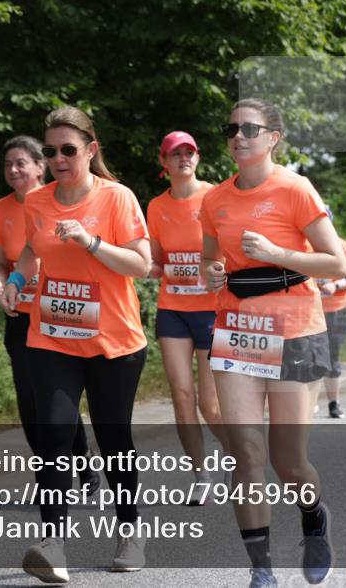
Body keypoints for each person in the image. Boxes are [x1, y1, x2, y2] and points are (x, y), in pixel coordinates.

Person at [200, 98, 346, 588]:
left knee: (288, 462)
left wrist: (277, 252)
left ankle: (313, 517)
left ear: (273, 138)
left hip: (294, 333)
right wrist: (214, 273)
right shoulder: (213, 199)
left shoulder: (295, 189)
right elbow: (208, 265)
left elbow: (335, 263)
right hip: (238, 331)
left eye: (249, 128)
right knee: (245, 451)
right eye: (231, 128)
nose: (237, 135)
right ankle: (261, 569)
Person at [3, 106, 151, 583]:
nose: (60, 158)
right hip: (52, 336)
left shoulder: (118, 198)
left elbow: (140, 265)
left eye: (69, 149)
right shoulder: (37, 202)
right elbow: (31, 248)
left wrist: (90, 242)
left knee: (114, 441)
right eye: (51, 151)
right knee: (54, 433)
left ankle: (129, 531)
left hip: (114, 341)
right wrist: (17, 280)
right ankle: (53, 543)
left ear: (91, 150)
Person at [0, 135, 102, 497]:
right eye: (8, 164)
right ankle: (49, 475)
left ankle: (81, 459)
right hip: (20, 316)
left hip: (59, 313)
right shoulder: (1, 209)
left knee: (57, 399)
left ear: (40, 166)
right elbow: (2, 264)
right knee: (29, 398)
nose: (14, 170)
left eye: (22, 162)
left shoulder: (57, 199)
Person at [146, 131, 228, 499]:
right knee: (182, 397)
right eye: (175, 154)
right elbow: (155, 260)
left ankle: (238, 454)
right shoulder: (156, 206)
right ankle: (200, 477)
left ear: (198, 158)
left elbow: (230, 246)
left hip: (212, 310)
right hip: (173, 309)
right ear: (163, 163)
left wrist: (217, 269)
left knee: (211, 405)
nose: (183, 158)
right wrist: (145, 266)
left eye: (189, 152)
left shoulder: (215, 196)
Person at [314, 207, 346, 419]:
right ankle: (309, 402)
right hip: (311, 312)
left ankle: (333, 404)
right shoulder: (304, 247)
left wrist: (335, 286)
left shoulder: (340, 245)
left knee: (330, 357)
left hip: (338, 310)